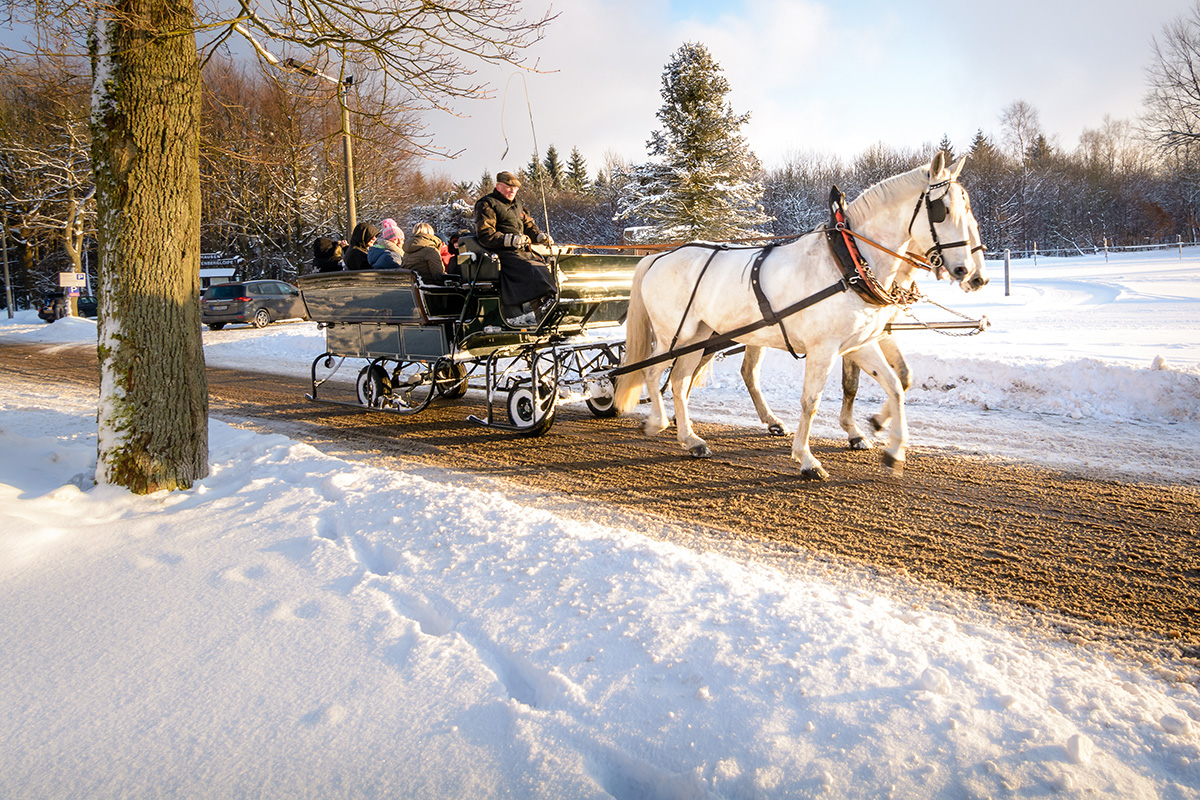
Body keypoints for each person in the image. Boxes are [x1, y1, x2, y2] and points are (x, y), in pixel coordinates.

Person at [473, 171, 557, 321]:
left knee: (548, 266)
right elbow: (485, 234)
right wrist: (509, 240)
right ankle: (542, 310)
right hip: (502, 253)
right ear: (498, 186)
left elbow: (528, 225)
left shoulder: (518, 206)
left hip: (523, 252)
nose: (512, 190)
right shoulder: (487, 204)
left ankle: (551, 305)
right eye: (508, 187)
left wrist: (539, 236)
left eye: (515, 188)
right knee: (532, 268)